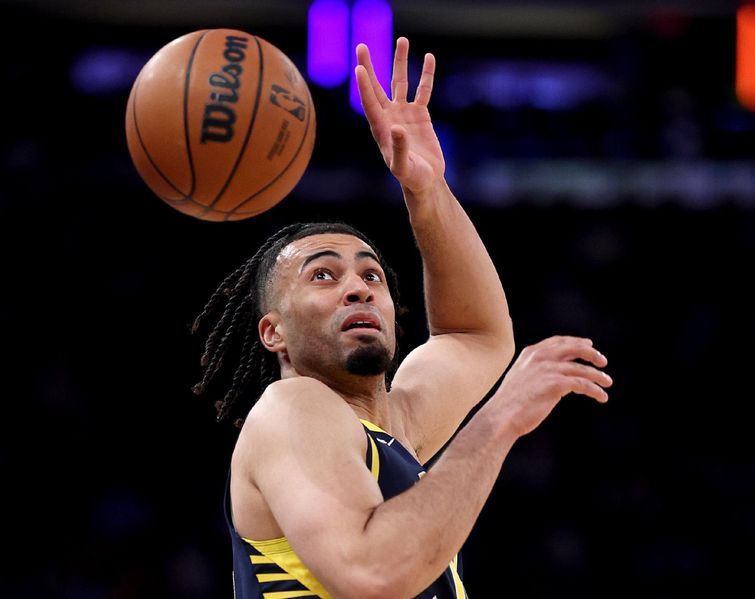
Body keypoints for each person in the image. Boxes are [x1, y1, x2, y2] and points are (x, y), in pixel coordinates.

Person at [191, 37, 613, 599]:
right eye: (323, 275)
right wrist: (499, 418)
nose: (356, 290)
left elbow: (477, 335)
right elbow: (372, 574)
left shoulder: (396, 426)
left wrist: (427, 188)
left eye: (372, 276)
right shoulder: (292, 410)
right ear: (274, 332)